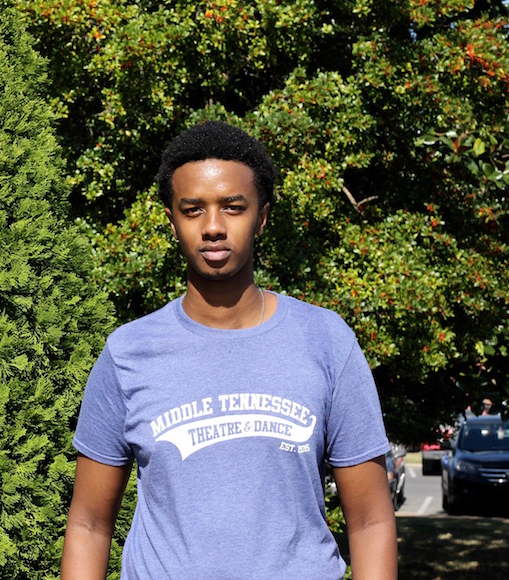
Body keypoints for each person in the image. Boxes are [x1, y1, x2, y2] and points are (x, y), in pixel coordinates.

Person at [60, 121, 397, 579]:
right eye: (193, 209)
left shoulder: (326, 341)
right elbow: (88, 524)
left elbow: (371, 520)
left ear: (261, 216)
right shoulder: (128, 353)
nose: (213, 227)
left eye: (233, 207)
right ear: (172, 219)